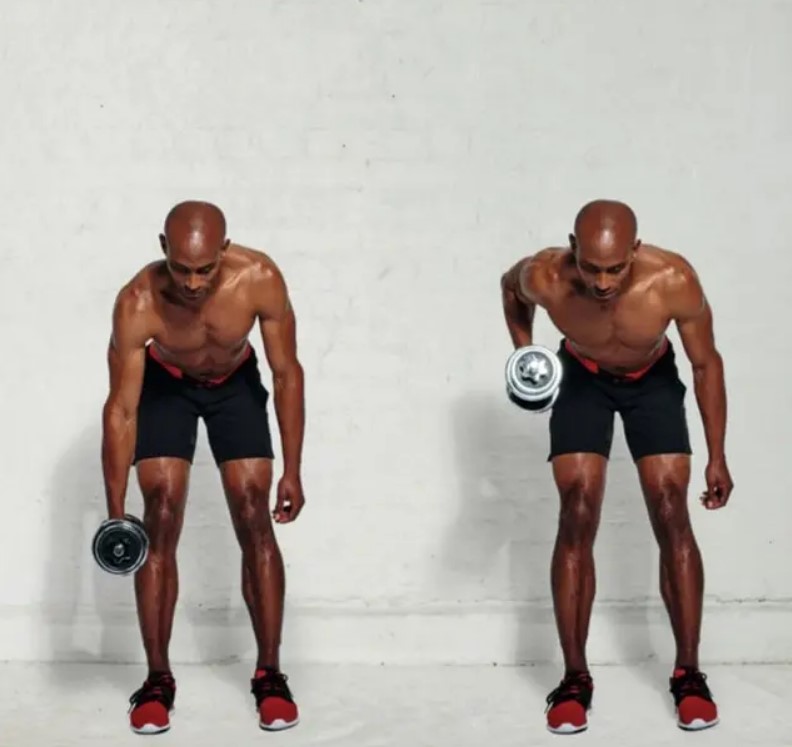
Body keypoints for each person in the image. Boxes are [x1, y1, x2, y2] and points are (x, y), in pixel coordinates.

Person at [500, 199, 733, 735]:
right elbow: (509, 289)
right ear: (573, 248)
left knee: (672, 509)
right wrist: (524, 355)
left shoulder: (672, 279)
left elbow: (705, 363)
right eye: (592, 267)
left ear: (636, 249)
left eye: (616, 268)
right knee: (577, 509)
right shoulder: (544, 274)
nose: (603, 282)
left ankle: (688, 674)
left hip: (651, 380)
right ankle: (575, 678)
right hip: (581, 377)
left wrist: (717, 453)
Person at [100, 200, 306, 735]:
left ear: (225, 249)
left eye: (205, 269)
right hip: (166, 387)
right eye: (182, 268)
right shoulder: (138, 300)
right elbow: (121, 409)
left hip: (235, 385)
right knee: (159, 515)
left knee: (251, 512)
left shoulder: (258, 278)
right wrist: (114, 511)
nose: (192, 283)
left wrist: (293, 468)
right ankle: (157, 680)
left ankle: (270, 674)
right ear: (163, 249)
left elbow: (287, 374)